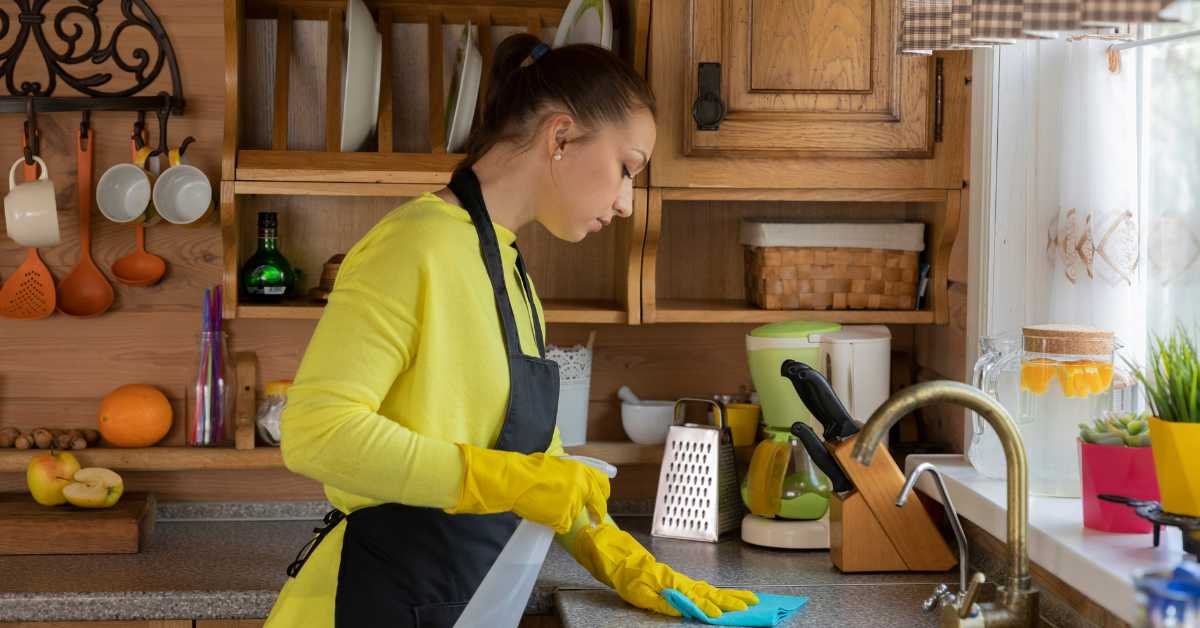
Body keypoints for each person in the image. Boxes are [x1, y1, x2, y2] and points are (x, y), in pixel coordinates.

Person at [264, 35, 758, 628]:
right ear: (560, 136)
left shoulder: (509, 269)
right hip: (369, 603)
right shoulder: (413, 246)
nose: (627, 201)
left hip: (458, 603)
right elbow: (317, 433)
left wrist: (627, 563)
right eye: (627, 168)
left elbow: (535, 462)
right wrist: (506, 480)